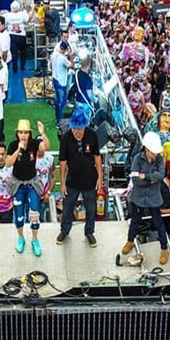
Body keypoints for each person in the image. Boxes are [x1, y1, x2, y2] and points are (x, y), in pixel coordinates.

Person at [56, 105, 102, 248]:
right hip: (72, 180)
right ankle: (64, 230)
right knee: (68, 207)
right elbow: (62, 162)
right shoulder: (66, 138)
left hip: (90, 179)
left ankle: (89, 232)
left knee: (91, 207)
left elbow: (97, 157)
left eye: (80, 129)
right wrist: (62, 182)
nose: (77, 132)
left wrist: (100, 177)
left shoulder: (92, 135)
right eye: (75, 129)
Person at [5, 119, 50, 256]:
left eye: (26, 132)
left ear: (30, 133)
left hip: (31, 184)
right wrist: (19, 149)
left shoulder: (34, 144)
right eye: (21, 132)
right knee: (19, 215)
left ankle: (35, 240)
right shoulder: (13, 145)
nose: (23, 135)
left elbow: (46, 146)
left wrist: (42, 133)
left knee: (34, 213)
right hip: (18, 184)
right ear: (17, 134)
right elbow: (8, 163)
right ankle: (20, 237)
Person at [124, 132, 170, 265]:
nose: (156, 154)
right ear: (147, 149)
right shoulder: (137, 159)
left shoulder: (159, 160)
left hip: (153, 198)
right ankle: (130, 241)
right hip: (139, 197)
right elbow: (135, 179)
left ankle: (164, 249)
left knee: (158, 223)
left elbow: (161, 174)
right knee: (135, 221)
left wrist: (145, 176)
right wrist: (151, 179)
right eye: (153, 151)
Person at [51, 40, 73, 124]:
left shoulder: (53, 56)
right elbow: (72, 66)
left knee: (57, 101)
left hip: (55, 80)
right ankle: (59, 121)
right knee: (62, 102)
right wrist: (70, 56)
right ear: (65, 49)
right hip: (61, 82)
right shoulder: (63, 59)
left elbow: (50, 66)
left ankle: (57, 118)